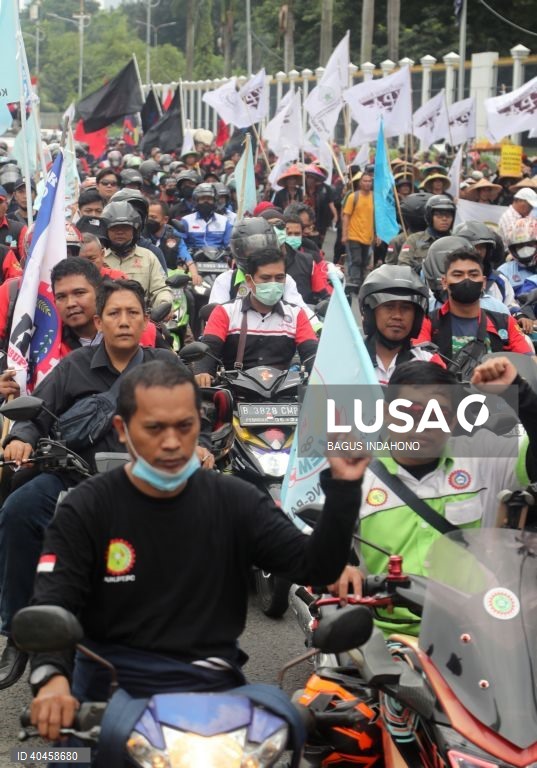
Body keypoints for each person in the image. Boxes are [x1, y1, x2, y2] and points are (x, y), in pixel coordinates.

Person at [25, 359, 367, 741]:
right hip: (108, 695)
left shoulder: (236, 501)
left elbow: (314, 566)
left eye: (184, 426)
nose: (171, 441)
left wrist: (344, 487)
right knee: (50, 755)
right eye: (154, 428)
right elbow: (53, 604)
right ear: (122, 430)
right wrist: (52, 680)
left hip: (212, 694)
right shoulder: (84, 508)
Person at [0, 279, 213, 689]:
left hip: (147, 483)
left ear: (144, 320)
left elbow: (194, 418)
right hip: (74, 478)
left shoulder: (166, 367)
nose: (124, 321)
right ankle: (18, 631)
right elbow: (36, 416)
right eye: (114, 314)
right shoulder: (72, 368)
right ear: (99, 320)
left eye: (132, 313)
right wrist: (21, 440)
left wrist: (201, 447)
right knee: (18, 511)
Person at [330, 357, 537, 636]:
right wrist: (337, 569)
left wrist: (519, 392)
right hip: (385, 638)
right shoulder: (355, 471)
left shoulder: (483, 456)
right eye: (412, 411)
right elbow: (314, 542)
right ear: (386, 413)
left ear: (453, 420)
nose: (425, 422)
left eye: (439, 413)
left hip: (480, 636)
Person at [194, 247, 318, 383]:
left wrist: (320, 376)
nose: (273, 283)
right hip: (235, 392)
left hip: (283, 395)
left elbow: (311, 353)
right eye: (266, 278)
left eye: (279, 278)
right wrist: (202, 372)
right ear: (249, 280)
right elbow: (208, 350)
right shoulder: (224, 312)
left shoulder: (296, 314)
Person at [414, 249, 533, 365]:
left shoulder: (505, 323)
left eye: (473, 274)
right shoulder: (427, 322)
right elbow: (420, 361)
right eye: (458, 275)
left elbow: (528, 362)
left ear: (484, 282)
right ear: (444, 282)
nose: (466, 280)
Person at [358, 265, 442, 384]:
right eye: (389, 306)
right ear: (370, 313)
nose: (397, 315)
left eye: (405, 308)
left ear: (416, 316)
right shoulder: (348, 359)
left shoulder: (429, 363)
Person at [102, 201, 173, 310]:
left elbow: (161, 289)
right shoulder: (98, 257)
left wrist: (164, 304)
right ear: (106, 230)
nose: (120, 232)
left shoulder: (149, 257)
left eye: (125, 227)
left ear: (135, 230)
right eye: (114, 227)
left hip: (142, 319)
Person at [399, 194, 456, 274]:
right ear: (429, 216)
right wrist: (416, 270)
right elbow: (403, 265)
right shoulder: (414, 239)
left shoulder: (457, 241)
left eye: (448, 215)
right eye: (439, 215)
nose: (444, 219)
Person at [281, 214, 330, 305]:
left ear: (302, 234)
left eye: (297, 234)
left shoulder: (309, 260)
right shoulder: (269, 260)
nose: (293, 237)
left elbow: (322, 290)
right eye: (289, 233)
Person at [146, 201, 200, 283]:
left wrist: (195, 275)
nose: (149, 220)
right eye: (148, 217)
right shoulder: (139, 234)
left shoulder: (174, 236)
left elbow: (187, 259)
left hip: (168, 280)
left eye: (153, 217)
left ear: (165, 219)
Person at [341, 171, 376, 292]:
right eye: (365, 181)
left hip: (368, 236)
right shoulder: (353, 197)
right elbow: (346, 216)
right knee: (356, 259)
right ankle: (354, 281)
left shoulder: (374, 197)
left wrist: (377, 235)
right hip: (354, 234)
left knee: (364, 261)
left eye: (369, 181)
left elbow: (377, 217)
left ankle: (360, 281)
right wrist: (344, 234)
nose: (367, 183)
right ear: (360, 183)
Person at [181, 183, 232, 251]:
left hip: (219, 259)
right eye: (202, 199)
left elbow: (229, 244)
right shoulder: (186, 220)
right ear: (196, 201)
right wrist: (188, 260)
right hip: (193, 259)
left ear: (215, 201)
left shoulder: (224, 221)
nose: (206, 201)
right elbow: (181, 245)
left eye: (209, 199)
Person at [498, 216, 537, 299]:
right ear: (512, 249)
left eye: (530, 245)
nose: (525, 250)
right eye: (520, 246)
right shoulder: (504, 272)